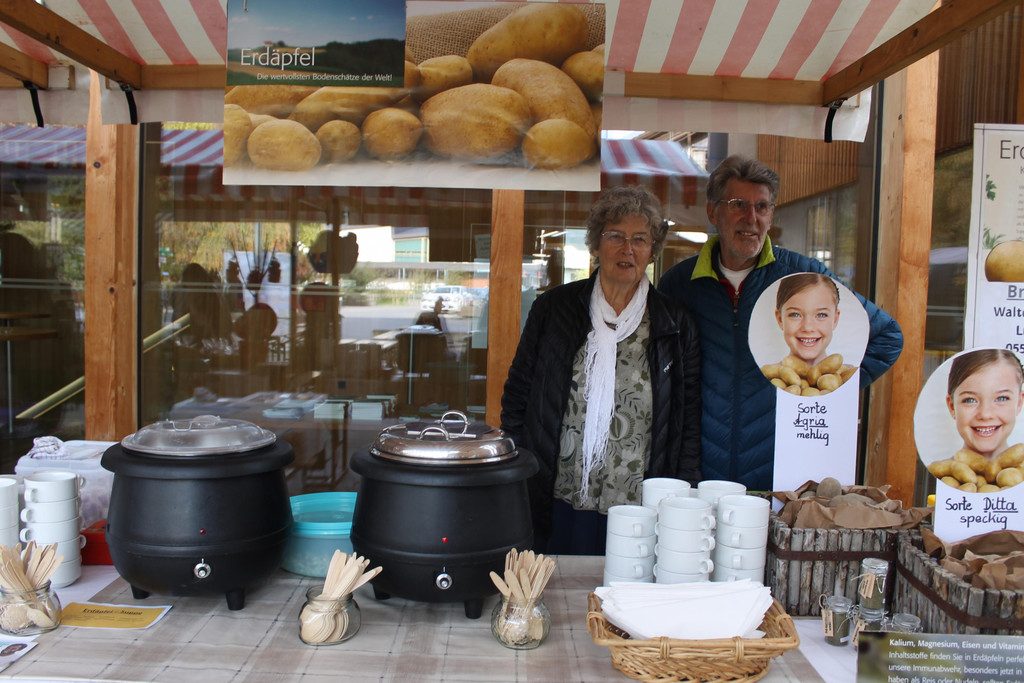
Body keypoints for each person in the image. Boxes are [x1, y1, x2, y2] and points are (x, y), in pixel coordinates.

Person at [658, 155, 903, 491]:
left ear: (771, 215)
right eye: (738, 205)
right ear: (713, 212)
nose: (751, 218)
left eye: (762, 206)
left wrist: (825, 390)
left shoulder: (801, 276)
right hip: (698, 473)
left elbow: (887, 337)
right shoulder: (680, 284)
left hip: (780, 476)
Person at [501, 186, 701, 555]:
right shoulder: (554, 309)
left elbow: (687, 422)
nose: (628, 249)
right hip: (558, 493)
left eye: (640, 239)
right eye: (615, 236)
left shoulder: (675, 323)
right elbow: (518, 395)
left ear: (653, 250)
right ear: (595, 245)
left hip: (639, 503)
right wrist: (517, 471)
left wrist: (683, 494)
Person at [946, 349, 1024, 461]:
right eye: (970, 400)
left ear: (1019, 402)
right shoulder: (936, 470)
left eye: (1001, 398)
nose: (985, 414)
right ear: (952, 406)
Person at [774, 273, 842, 369]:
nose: (808, 328)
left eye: (821, 315)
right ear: (780, 319)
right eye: (795, 315)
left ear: (835, 319)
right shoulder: (762, 374)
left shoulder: (853, 374)